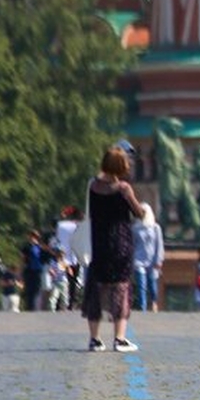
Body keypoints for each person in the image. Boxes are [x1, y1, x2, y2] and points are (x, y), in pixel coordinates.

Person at [82, 145, 147, 352]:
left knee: (96, 288)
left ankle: (95, 339)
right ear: (121, 166)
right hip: (120, 243)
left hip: (98, 242)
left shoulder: (93, 186)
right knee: (120, 289)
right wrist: (143, 209)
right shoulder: (123, 188)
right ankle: (119, 338)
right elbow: (138, 213)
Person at [132, 208, 165, 313]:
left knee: (152, 284)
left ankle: (154, 302)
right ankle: (143, 308)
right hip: (138, 261)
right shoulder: (135, 228)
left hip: (152, 261)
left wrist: (159, 260)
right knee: (141, 285)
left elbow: (159, 245)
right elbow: (132, 245)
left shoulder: (155, 228)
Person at [20, 230, 47, 312]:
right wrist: (21, 271)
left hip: (38, 270)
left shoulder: (40, 247)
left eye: (34, 237)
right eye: (31, 236)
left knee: (37, 289)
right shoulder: (26, 247)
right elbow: (23, 259)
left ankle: (35, 307)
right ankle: (29, 307)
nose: (32, 238)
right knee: (28, 289)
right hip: (28, 270)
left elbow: (45, 258)